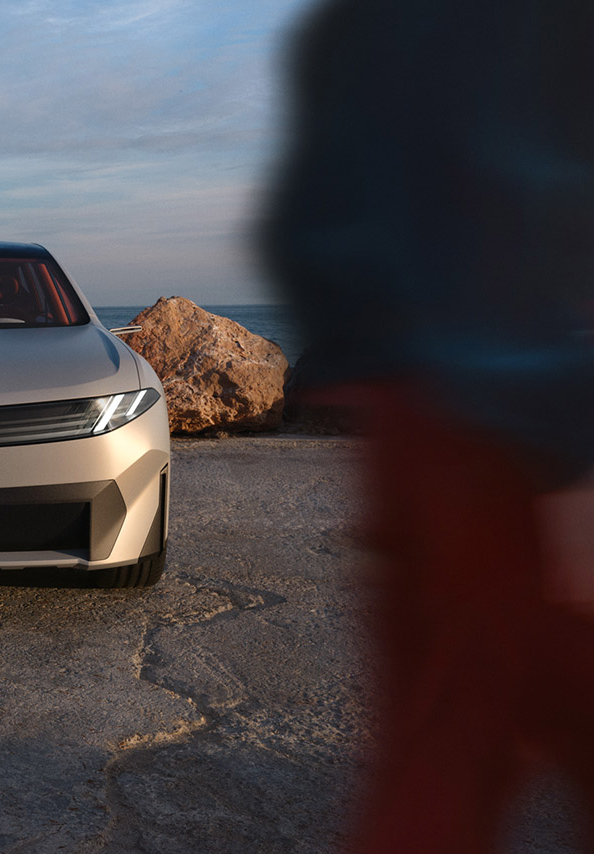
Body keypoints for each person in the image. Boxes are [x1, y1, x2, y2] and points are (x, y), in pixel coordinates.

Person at [261, 0, 594, 850]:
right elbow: (532, 193)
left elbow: (303, 224)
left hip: (412, 422)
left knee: (437, 765)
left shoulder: (348, 28)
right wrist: (569, 443)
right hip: (532, 424)